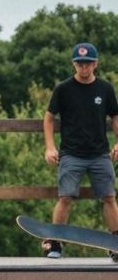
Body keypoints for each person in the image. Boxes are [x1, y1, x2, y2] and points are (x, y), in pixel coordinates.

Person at [41, 41, 118, 258]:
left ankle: (115, 241)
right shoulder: (63, 89)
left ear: (96, 64)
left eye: (88, 64)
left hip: (99, 154)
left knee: (109, 197)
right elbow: (48, 118)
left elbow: (115, 116)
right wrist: (49, 147)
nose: (84, 68)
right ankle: (55, 242)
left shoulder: (105, 88)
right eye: (79, 64)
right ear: (73, 64)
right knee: (65, 197)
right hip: (71, 154)